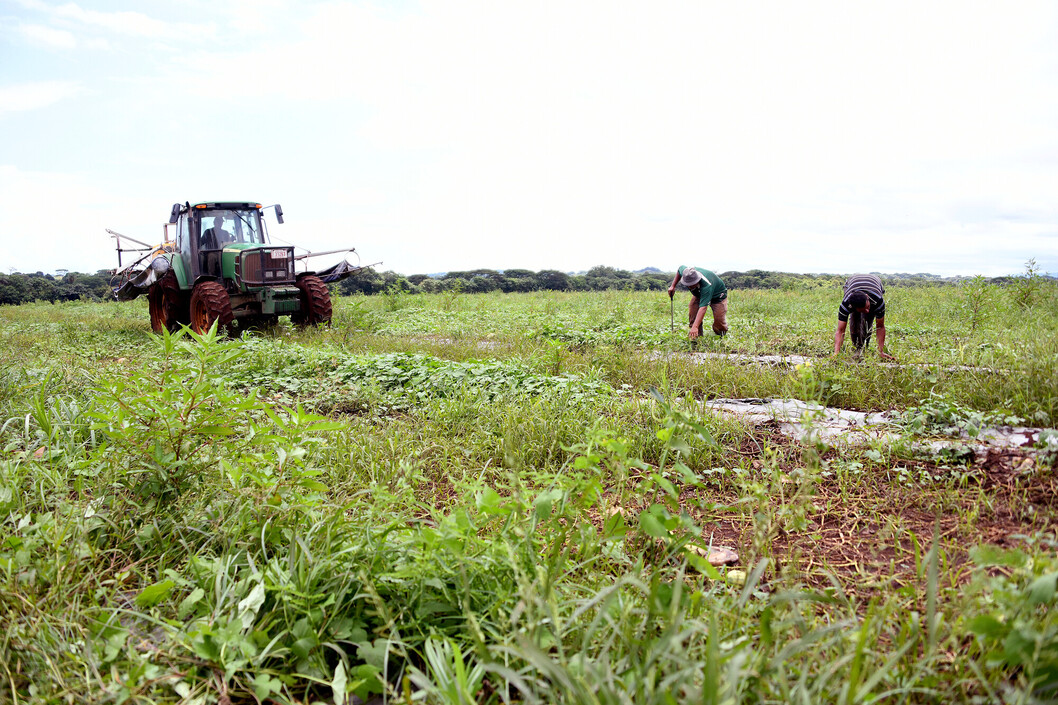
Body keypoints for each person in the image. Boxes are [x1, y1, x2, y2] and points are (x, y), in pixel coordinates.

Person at [833, 273, 895, 360]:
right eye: (863, 309)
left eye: (867, 307)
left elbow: (880, 326)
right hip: (851, 283)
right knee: (855, 318)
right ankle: (857, 347)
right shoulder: (846, 304)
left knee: (869, 318)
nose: (867, 310)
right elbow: (840, 330)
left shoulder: (878, 300)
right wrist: (836, 353)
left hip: (874, 282)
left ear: (867, 297)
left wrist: (880, 352)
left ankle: (865, 345)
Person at [667, 266, 728, 339]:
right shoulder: (686, 272)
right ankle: (697, 338)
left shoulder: (706, 285)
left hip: (718, 297)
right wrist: (673, 286)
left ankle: (721, 337)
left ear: (697, 280)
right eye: (688, 284)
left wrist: (695, 326)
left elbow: (703, 308)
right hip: (699, 294)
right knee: (693, 314)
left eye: (692, 284)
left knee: (719, 322)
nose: (690, 287)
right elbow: (680, 269)